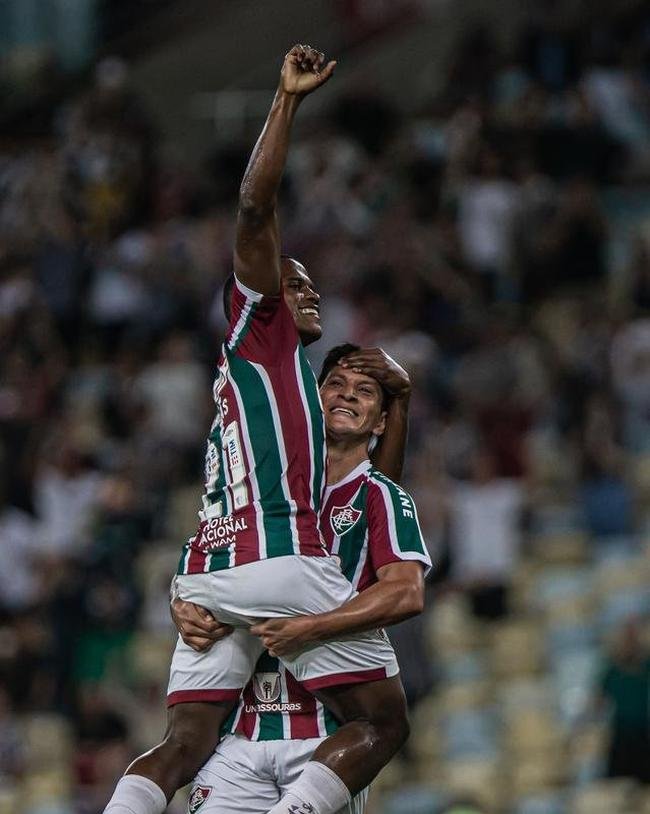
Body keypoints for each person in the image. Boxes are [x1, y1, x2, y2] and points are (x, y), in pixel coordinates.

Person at [104, 45, 417, 814]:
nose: (308, 290)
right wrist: (285, 101)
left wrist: (181, 591)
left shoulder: (275, 408)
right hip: (279, 564)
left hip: (212, 568)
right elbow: (254, 207)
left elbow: (370, 484)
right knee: (387, 722)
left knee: (181, 743)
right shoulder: (261, 330)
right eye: (295, 279)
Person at [174, 343, 431, 814]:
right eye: (336, 383)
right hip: (242, 731)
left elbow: (408, 592)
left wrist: (310, 628)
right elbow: (210, 554)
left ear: (380, 422)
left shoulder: (380, 496)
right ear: (312, 401)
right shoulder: (261, 489)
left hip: (329, 736)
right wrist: (182, 603)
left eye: (365, 391)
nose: (347, 395)